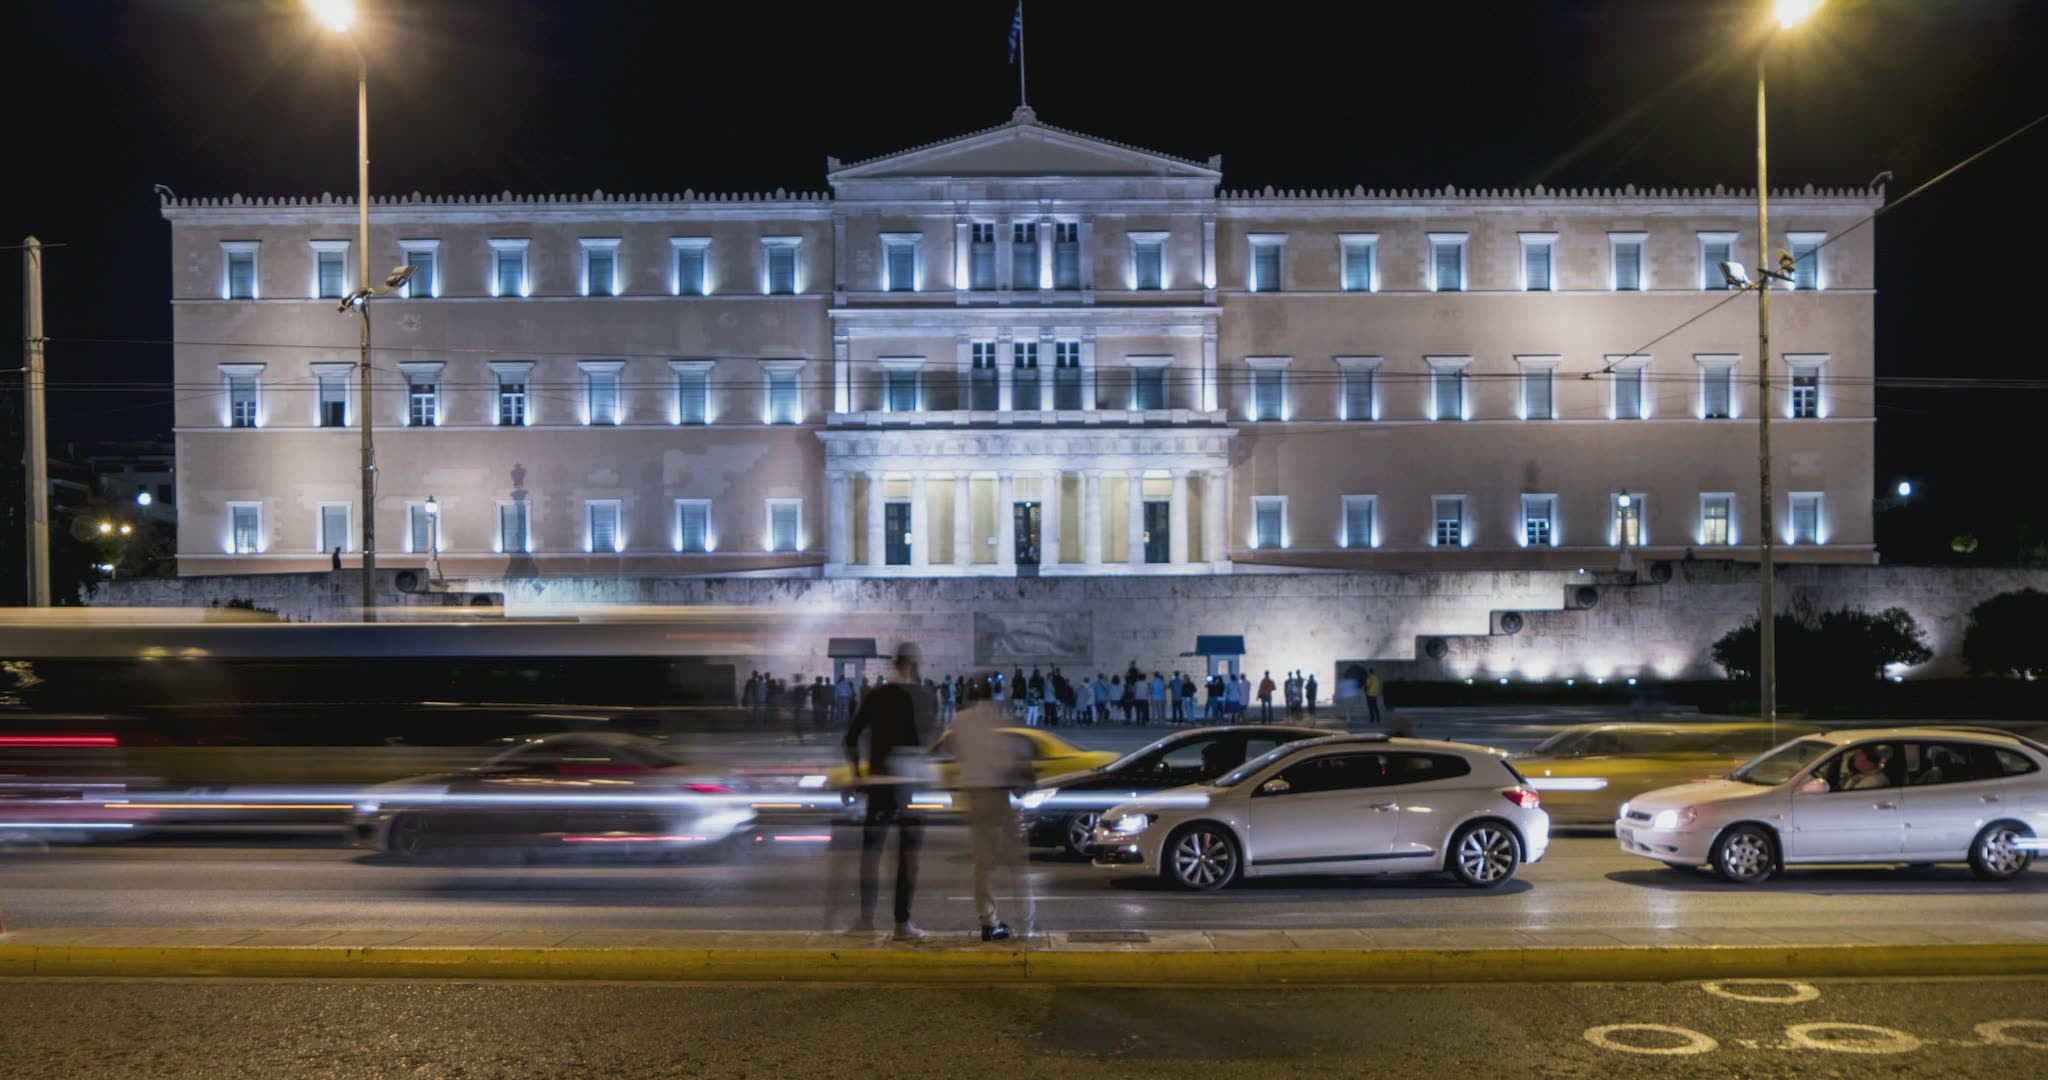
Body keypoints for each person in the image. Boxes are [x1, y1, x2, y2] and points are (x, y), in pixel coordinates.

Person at [843, 643, 934, 941]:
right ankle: (901, 923)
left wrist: (857, 774)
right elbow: (925, 739)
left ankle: (865, 918)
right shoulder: (921, 696)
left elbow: (851, 738)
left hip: (878, 783)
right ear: (914, 665)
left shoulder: (876, 696)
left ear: (894, 664)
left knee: (872, 853)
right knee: (907, 857)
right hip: (907, 785)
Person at [952, 674, 1033, 942]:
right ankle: (1026, 926)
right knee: (1017, 864)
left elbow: (958, 755)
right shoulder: (999, 719)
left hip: (974, 797)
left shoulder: (960, 720)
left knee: (982, 865)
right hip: (998, 796)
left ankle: (989, 922)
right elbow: (1007, 760)